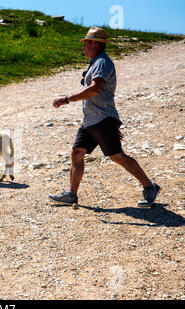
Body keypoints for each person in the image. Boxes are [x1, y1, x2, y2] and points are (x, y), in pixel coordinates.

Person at [48, 27, 160, 208]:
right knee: (77, 153)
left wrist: (66, 99)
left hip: (101, 120)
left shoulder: (102, 62)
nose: (83, 47)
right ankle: (71, 195)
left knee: (116, 156)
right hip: (91, 121)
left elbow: (94, 89)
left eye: (85, 44)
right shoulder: (96, 62)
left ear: (93, 43)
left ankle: (150, 187)